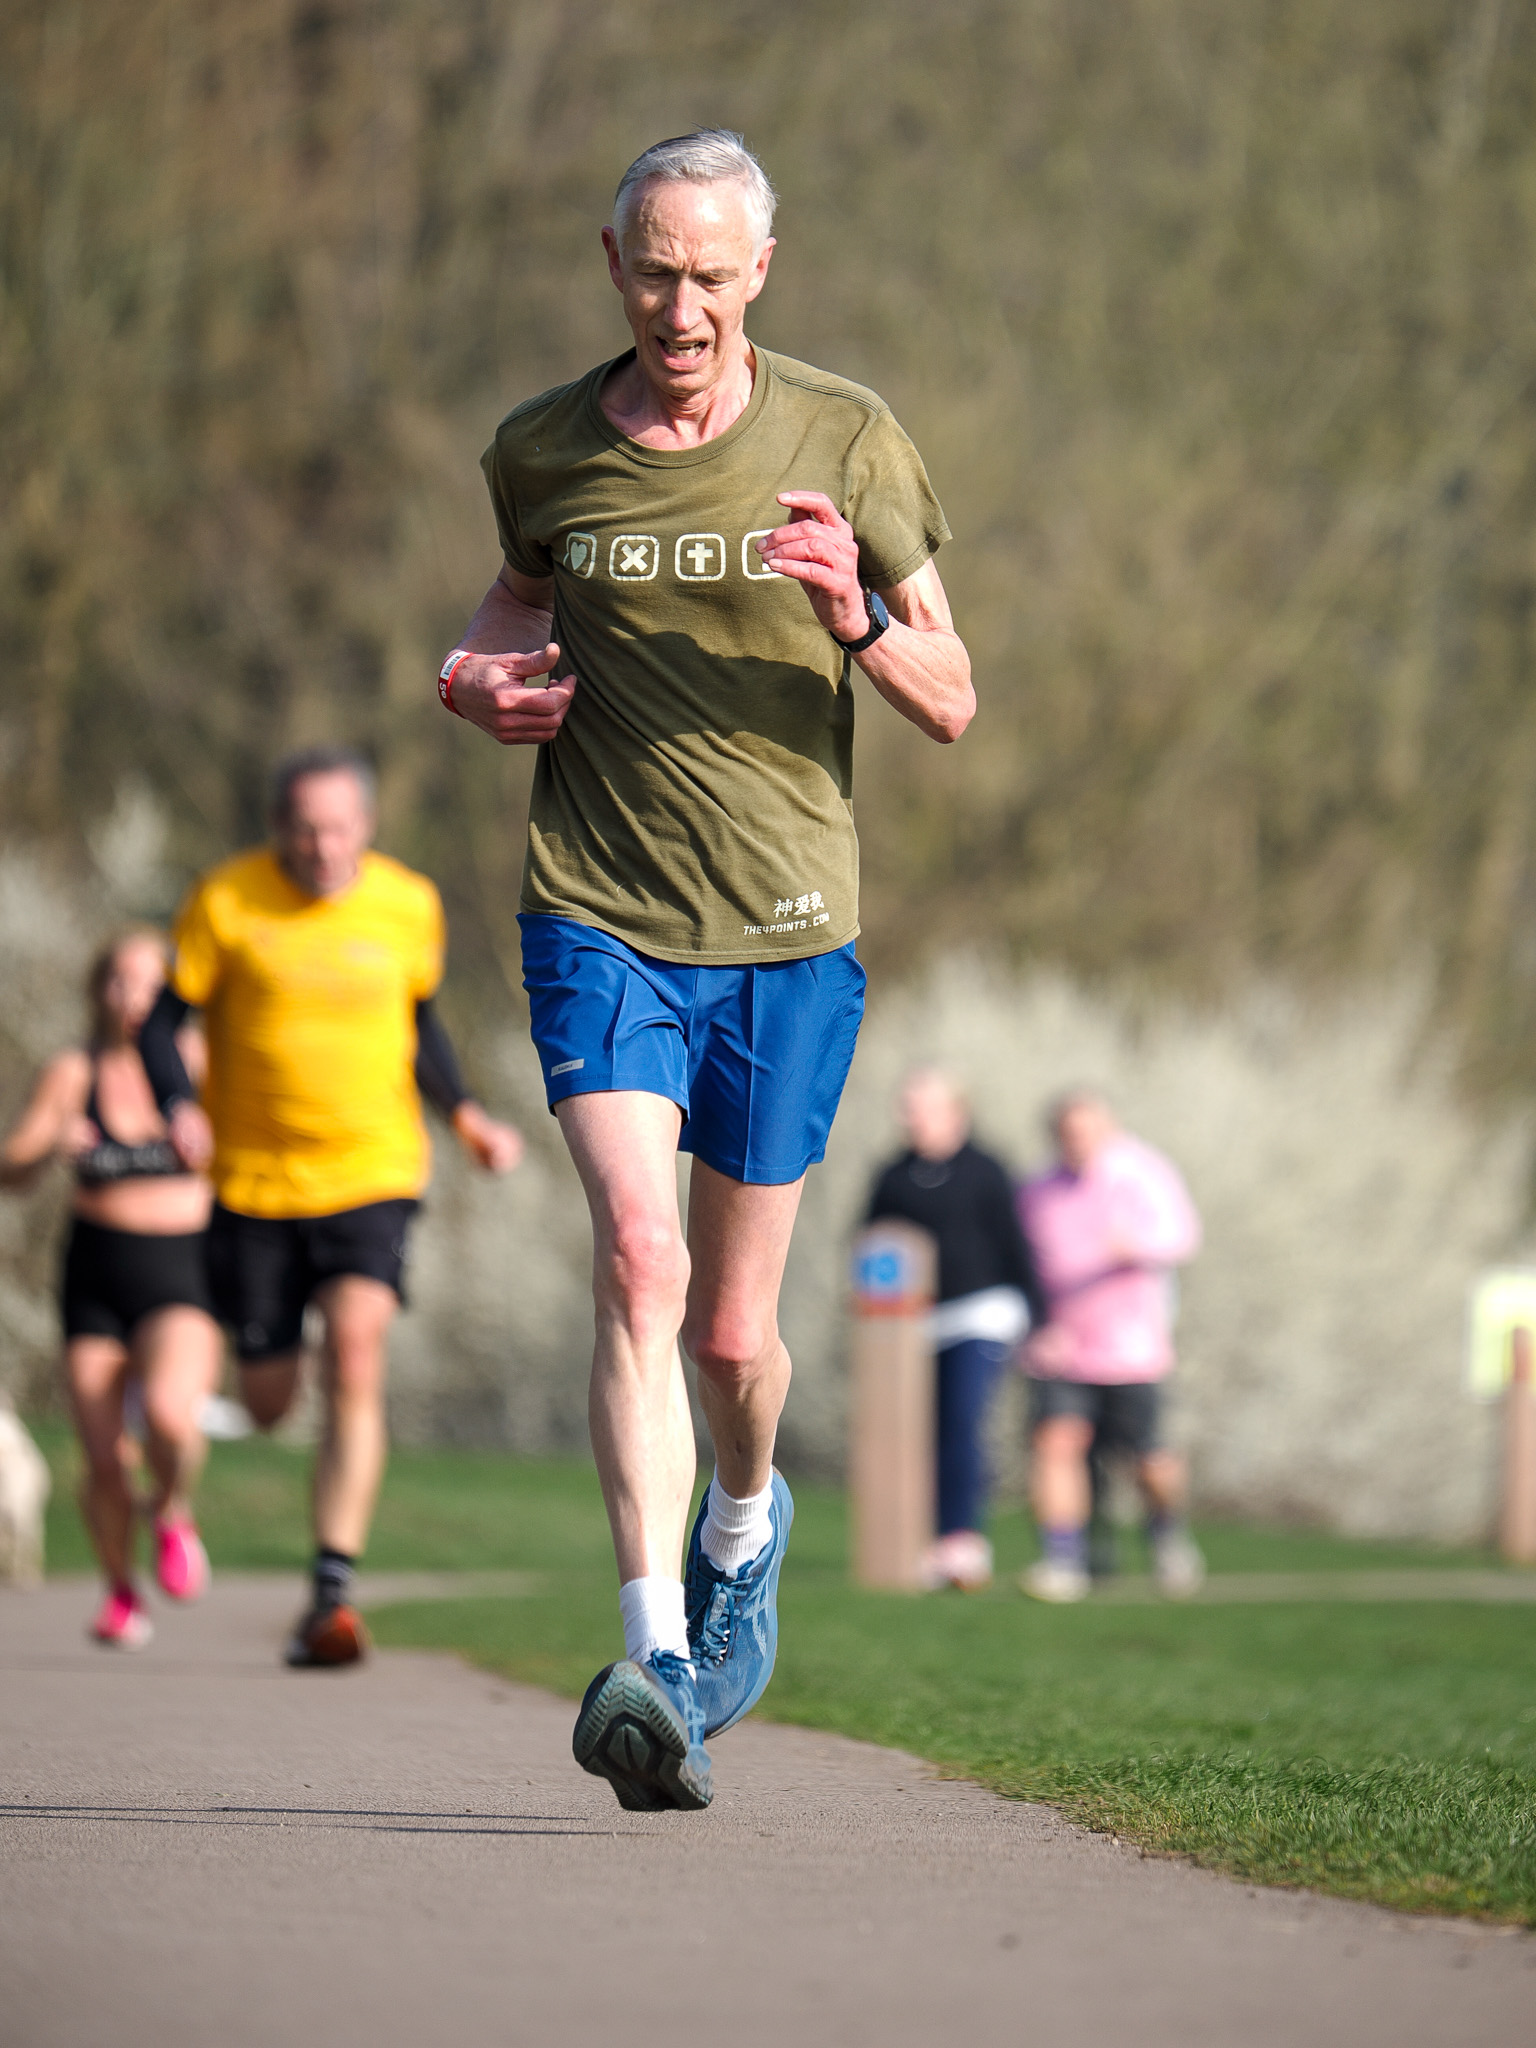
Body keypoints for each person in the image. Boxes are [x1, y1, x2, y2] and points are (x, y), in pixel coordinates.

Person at [439, 130, 974, 1810]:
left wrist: (860, 620)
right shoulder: (541, 449)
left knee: (736, 1335)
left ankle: (741, 1521)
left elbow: (956, 693)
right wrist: (473, 677)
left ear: (762, 269)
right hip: (595, 909)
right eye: (654, 269)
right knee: (640, 1259)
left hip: (789, 932)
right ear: (614, 264)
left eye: (712, 275)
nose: (682, 305)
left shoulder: (846, 436)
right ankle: (656, 1648)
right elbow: (513, 612)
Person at [136, 746, 523, 1667]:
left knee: (357, 1355)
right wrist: (180, 1107)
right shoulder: (226, 901)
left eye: (338, 827)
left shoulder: (408, 904)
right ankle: (259, 1390)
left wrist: (466, 1115)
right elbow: (160, 1020)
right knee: (268, 1404)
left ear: (367, 826)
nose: (320, 846)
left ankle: (332, 1592)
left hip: (373, 1174)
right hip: (255, 1187)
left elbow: (421, 1025)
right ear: (278, 829)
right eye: (303, 829)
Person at [1, 929, 221, 1647]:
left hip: (181, 1273)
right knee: (101, 1455)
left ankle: (175, 1511)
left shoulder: (201, 1066)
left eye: (154, 985)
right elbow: (13, 1166)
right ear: (100, 990)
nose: (136, 999)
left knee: (168, 1417)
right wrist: (47, 1142)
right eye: (121, 981)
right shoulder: (75, 1070)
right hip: (94, 1277)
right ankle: (122, 1593)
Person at [1016, 1090, 1204, 1603]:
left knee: (1149, 1459)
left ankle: (1167, 1531)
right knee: (1056, 1443)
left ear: (1109, 1128)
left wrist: (1134, 1246)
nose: (1077, 1143)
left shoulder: (1143, 1174)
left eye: (1087, 1132)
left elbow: (1183, 1236)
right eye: (1068, 1134)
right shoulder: (1037, 1190)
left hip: (1131, 1347)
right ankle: (1063, 1559)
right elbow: (1021, 1261)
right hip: (1060, 1345)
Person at [865, 1067, 1045, 1591]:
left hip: (983, 1312)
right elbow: (870, 1244)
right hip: (913, 1323)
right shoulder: (893, 1175)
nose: (910, 1119)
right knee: (918, 1430)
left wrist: (1039, 1315)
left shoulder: (986, 1170)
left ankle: (962, 1541)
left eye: (921, 1108)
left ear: (954, 1113)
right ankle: (921, 1539)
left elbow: (1016, 1245)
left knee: (962, 1419)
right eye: (906, 1108)